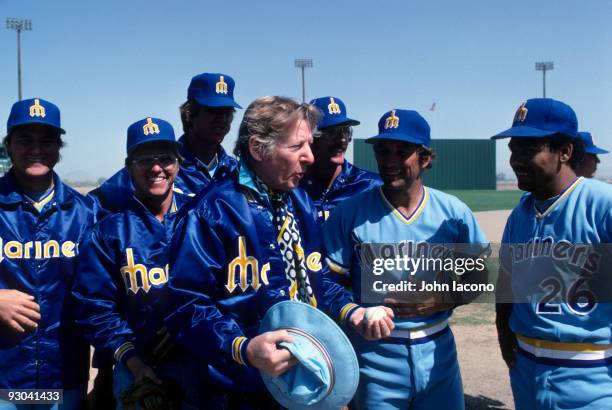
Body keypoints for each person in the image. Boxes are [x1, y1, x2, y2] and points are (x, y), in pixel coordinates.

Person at [165, 96, 393, 409]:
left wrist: (353, 311)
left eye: (310, 145)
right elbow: (185, 305)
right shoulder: (211, 212)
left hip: (301, 379)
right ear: (259, 148)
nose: (310, 157)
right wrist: (242, 348)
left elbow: (318, 279)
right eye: (298, 146)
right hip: (235, 390)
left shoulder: (299, 203)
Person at [323, 109, 489, 410]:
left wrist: (441, 299)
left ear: (424, 158)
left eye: (402, 152)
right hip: (375, 355)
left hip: (439, 353)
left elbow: (478, 278)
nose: (389, 162)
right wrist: (353, 312)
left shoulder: (453, 213)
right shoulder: (350, 213)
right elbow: (326, 283)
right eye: (383, 151)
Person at [72, 117, 200, 409]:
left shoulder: (201, 220)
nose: (156, 168)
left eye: (165, 158)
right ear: (128, 166)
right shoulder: (109, 231)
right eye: (144, 159)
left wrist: (187, 322)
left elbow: (224, 290)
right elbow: (94, 308)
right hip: (134, 370)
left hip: (197, 364)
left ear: (178, 164)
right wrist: (131, 360)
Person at [493, 98, 612, 409]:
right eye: (513, 149)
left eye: (529, 149)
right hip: (527, 371)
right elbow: (506, 284)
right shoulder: (519, 215)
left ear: (565, 152)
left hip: (591, 377)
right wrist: (505, 336)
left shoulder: (602, 204)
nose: (516, 159)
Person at [0, 98, 97, 409]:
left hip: (64, 374)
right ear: (8, 145)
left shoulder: (86, 212)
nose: (36, 149)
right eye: (25, 139)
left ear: (59, 147)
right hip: (4, 378)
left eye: (47, 140)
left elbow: (102, 296)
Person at [90, 72, 241, 212]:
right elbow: (92, 206)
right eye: (212, 111)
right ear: (190, 114)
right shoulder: (159, 168)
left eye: (227, 112)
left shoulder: (235, 172)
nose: (221, 120)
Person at [300, 96, 380, 222]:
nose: (342, 139)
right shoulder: (293, 186)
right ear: (310, 138)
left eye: (346, 131)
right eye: (332, 133)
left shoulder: (370, 185)